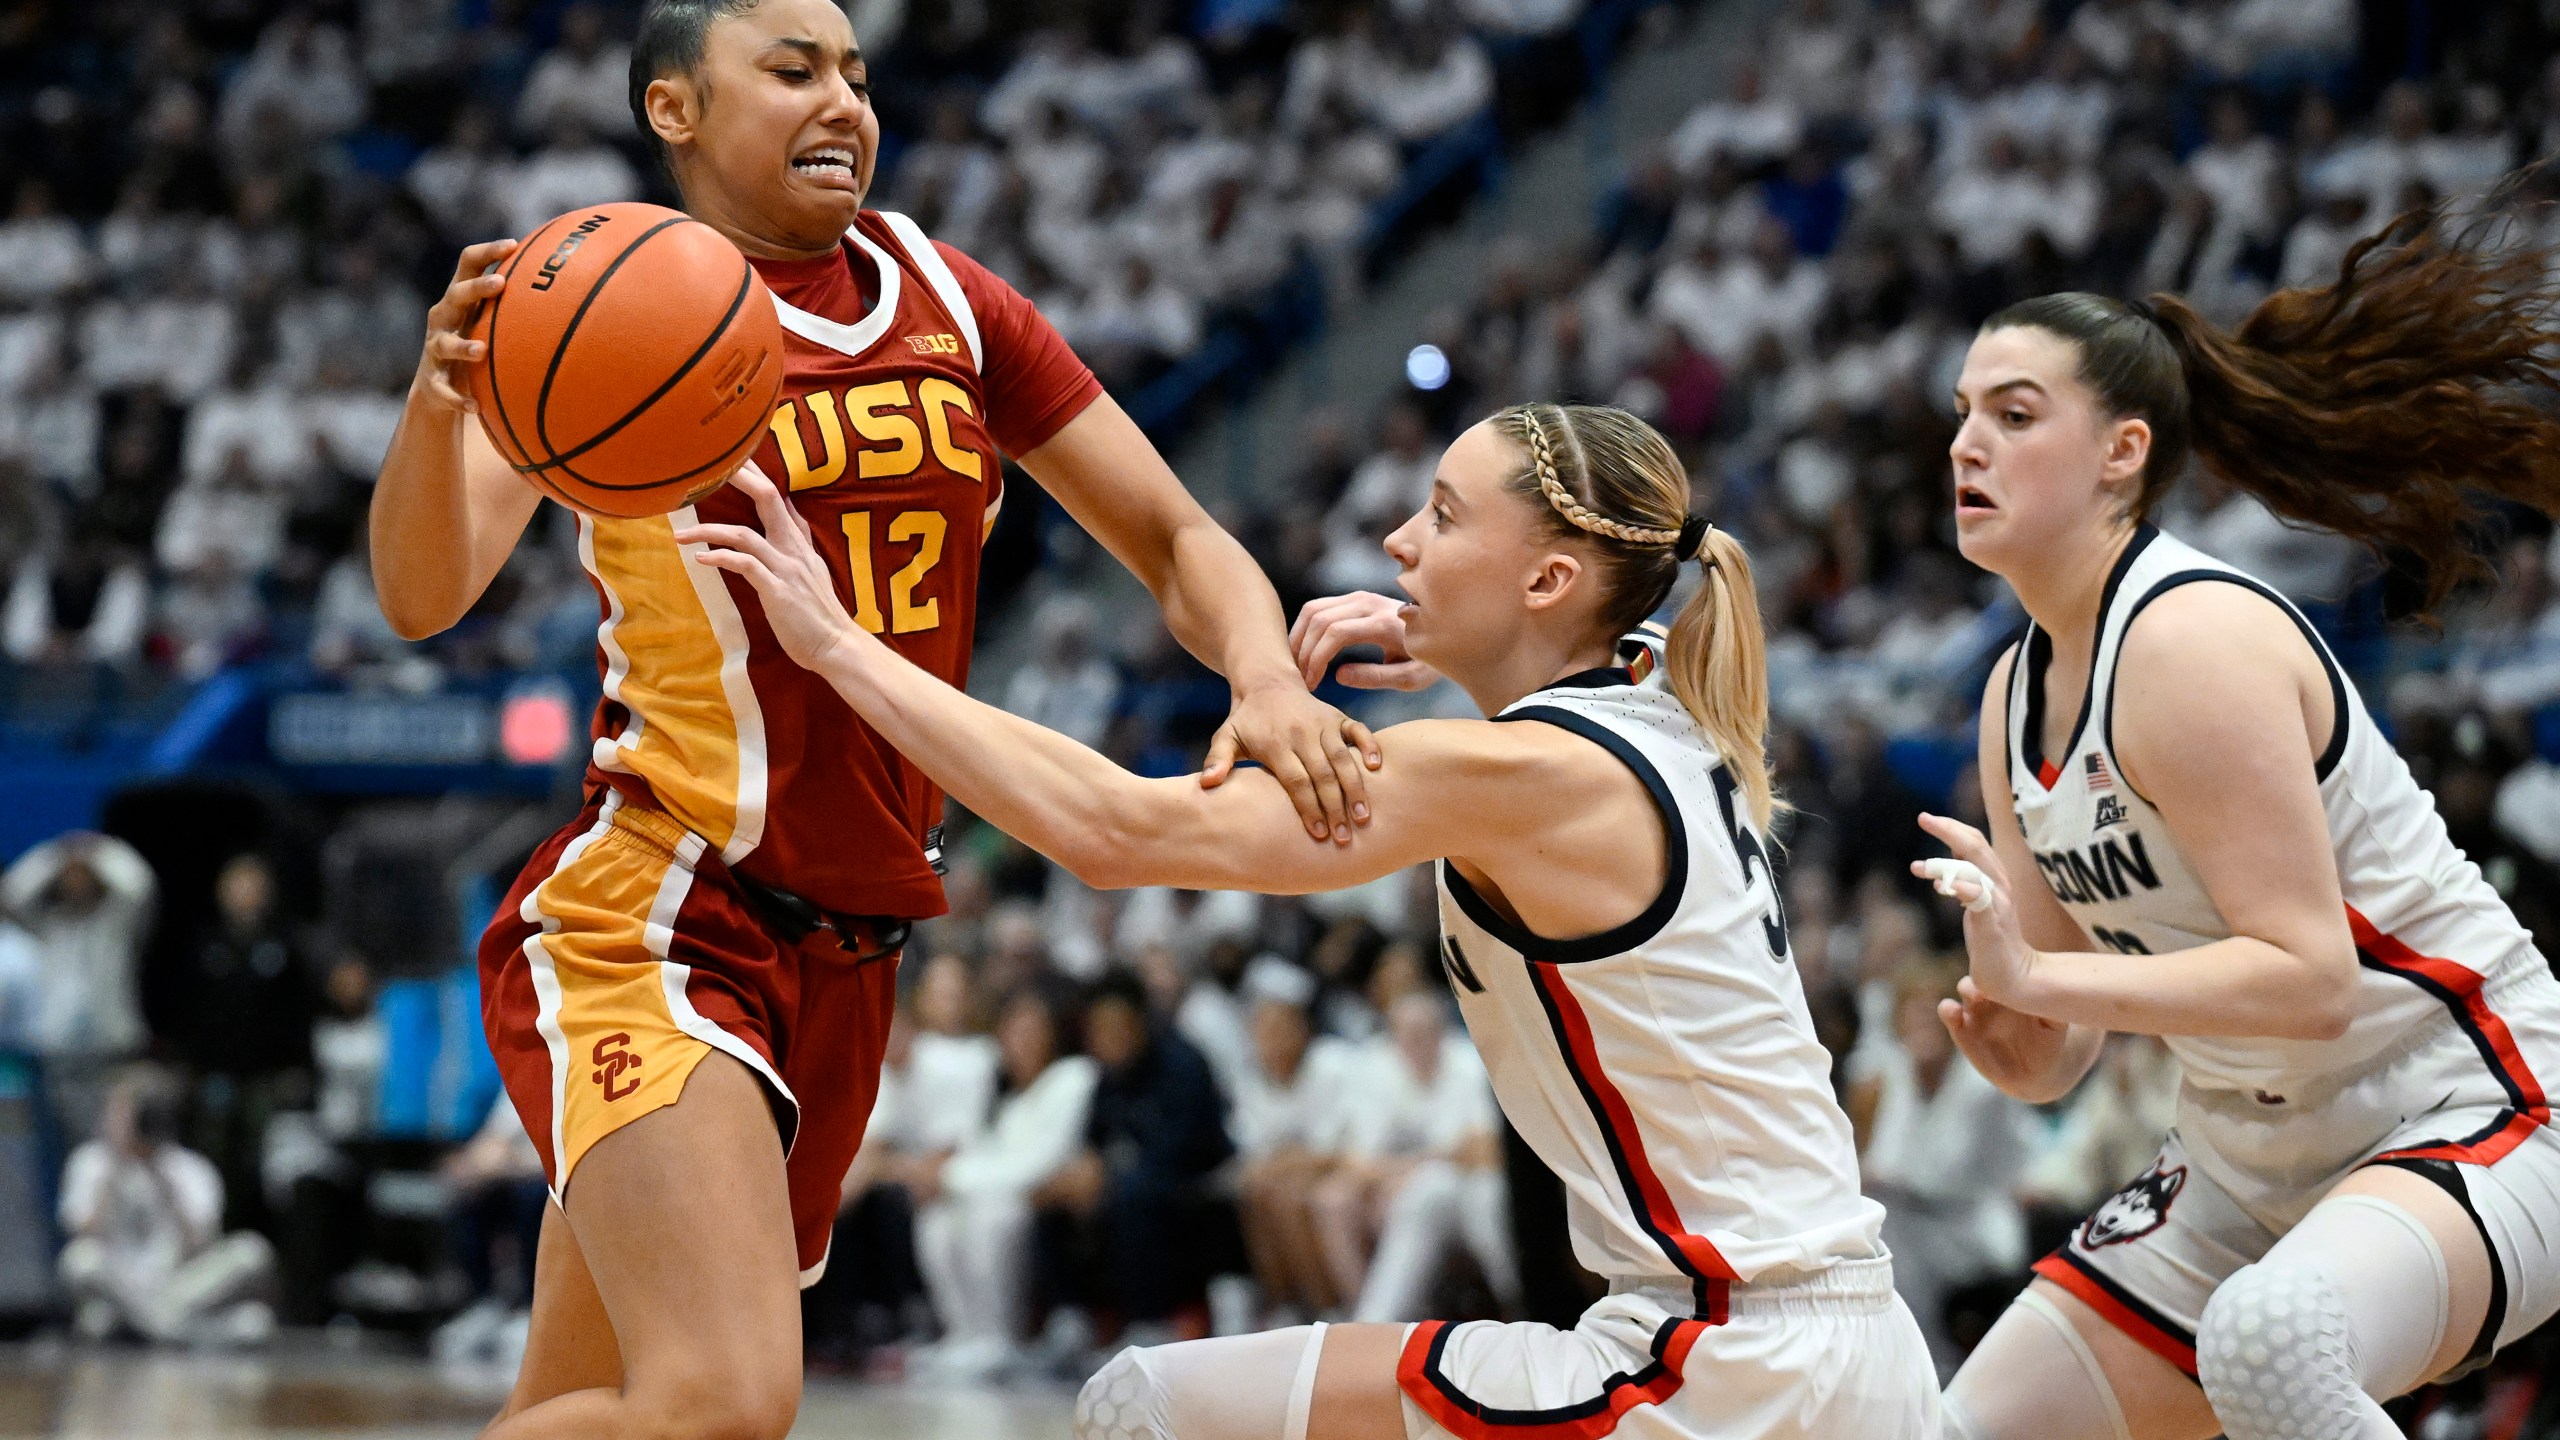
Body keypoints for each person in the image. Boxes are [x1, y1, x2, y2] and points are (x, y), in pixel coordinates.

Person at [367, 1, 1369, 1433]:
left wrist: (1264, 676)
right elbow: (423, 591)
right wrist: (434, 402)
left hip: (855, 951)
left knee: (594, 1407)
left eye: (855, 72)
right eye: (791, 71)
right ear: (675, 109)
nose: (844, 101)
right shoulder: (598, 311)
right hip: (662, 913)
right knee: (726, 1401)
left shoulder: (949, 298)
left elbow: (1175, 536)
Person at [680, 401, 1939, 1439]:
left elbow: (1114, 833)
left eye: (1442, 518)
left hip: (1729, 1368)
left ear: (1551, 578)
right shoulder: (1661, 717)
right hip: (1821, 1344)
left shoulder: (1522, 773)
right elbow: (1590, 647)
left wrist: (838, 647)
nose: (1395, 541)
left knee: (1144, 1408)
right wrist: (1460, 637)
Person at [1916, 210, 2560, 1440]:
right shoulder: (2012, 697)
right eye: (1960, 412)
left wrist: (2047, 975)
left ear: (2121, 453)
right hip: (2240, 1159)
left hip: (2467, 1103)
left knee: (2269, 1346)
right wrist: (2027, 1038)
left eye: (2011, 414)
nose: (1964, 444)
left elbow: (2310, 979)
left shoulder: (2189, 639)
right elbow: (2071, 1017)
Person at [57, 1067, 277, 1346]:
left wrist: (163, 1180)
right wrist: (114, 1168)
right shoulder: (90, 1162)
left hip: (178, 1285)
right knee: (79, 1260)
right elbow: (82, 1232)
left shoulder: (190, 1168)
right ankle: (187, 1332)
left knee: (251, 1251)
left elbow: (200, 1245)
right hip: (120, 1285)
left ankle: (152, 1327)